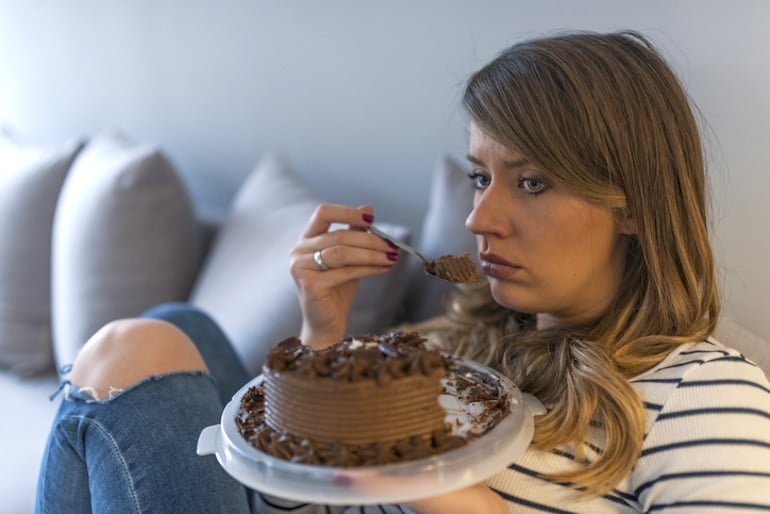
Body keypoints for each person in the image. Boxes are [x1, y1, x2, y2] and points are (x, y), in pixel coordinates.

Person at [35, 30, 770, 514]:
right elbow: (295, 502)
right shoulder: (452, 348)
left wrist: (427, 474)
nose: (481, 218)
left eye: (534, 182)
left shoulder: (706, 391)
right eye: (481, 177)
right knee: (172, 330)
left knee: (133, 348)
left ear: (636, 205)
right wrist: (323, 342)